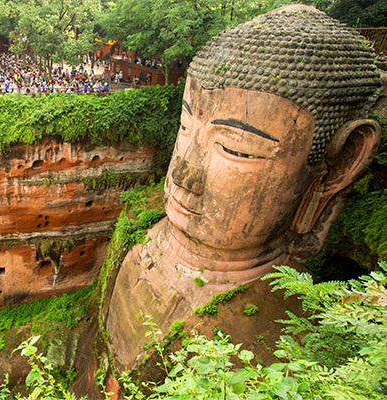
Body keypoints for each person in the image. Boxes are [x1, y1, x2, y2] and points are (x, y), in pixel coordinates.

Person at [106, 5, 382, 367]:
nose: (182, 175)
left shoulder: (273, 351)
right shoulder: (140, 232)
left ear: (339, 165)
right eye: (185, 127)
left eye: (235, 148)